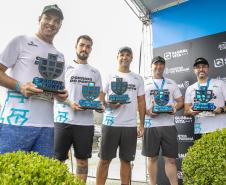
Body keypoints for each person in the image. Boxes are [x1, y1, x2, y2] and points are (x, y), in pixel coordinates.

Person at [0, 4, 68, 157]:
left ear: (60, 26)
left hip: (47, 126)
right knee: (8, 176)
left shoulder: (60, 56)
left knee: (41, 178)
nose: (51, 23)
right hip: (16, 122)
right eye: (48, 18)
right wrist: (20, 86)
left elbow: (56, 89)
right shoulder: (21, 41)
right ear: (39, 19)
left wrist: (61, 96)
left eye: (56, 21)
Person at [54, 35, 103, 183]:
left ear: (91, 49)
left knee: (82, 162)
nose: (84, 49)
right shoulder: (65, 67)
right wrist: (70, 103)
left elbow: (99, 95)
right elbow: (55, 92)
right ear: (76, 46)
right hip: (63, 120)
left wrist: (99, 105)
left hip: (85, 124)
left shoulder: (95, 72)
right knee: (57, 162)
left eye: (88, 46)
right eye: (82, 45)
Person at [96, 46, 146, 185]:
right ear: (117, 56)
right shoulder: (109, 75)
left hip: (129, 126)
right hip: (110, 124)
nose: (125, 57)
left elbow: (141, 102)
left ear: (132, 58)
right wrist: (107, 104)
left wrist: (141, 124)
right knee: (104, 160)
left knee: (126, 161)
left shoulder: (138, 78)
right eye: (122, 54)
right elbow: (100, 97)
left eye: (128, 55)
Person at [142, 56, 184, 185]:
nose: (158, 67)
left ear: (164, 67)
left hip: (168, 125)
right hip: (151, 125)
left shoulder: (171, 83)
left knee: (171, 160)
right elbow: (140, 104)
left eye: (161, 64)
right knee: (152, 158)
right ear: (151, 66)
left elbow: (180, 102)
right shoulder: (145, 83)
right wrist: (148, 111)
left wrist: (174, 108)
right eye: (156, 64)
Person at [184, 57, 226, 135]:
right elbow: (186, 112)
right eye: (198, 67)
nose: (201, 69)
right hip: (201, 130)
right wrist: (191, 111)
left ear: (208, 68)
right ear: (194, 70)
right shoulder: (190, 89)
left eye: (204, 66)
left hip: (221, 129)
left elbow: (222, 109)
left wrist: (221, 110)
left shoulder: (220, 83)